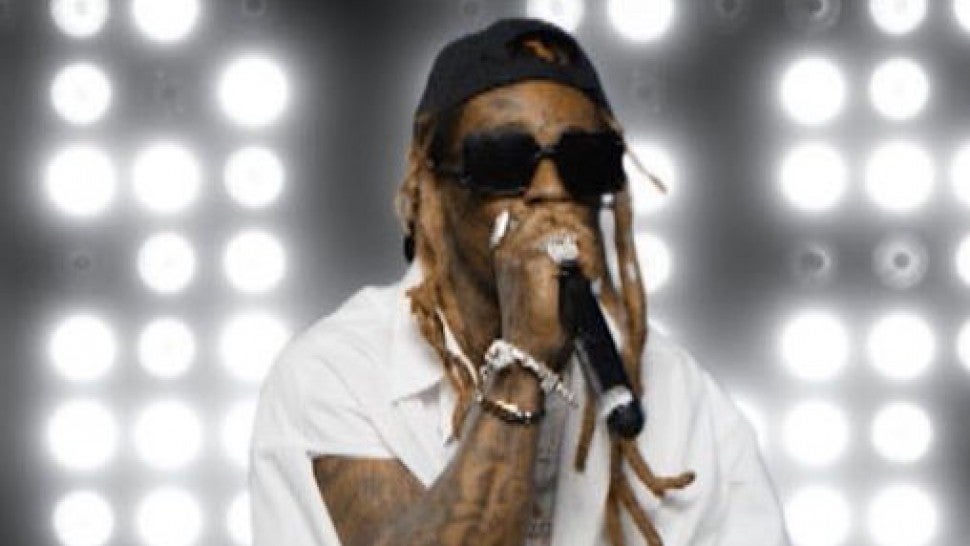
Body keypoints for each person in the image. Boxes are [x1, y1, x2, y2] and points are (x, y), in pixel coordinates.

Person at [250, 18, 790, 546]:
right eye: (504, 160)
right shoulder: (340, 371)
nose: (551, 189)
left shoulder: (671, 388)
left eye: (583, 161)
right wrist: (523, 362)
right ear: (431, 188)